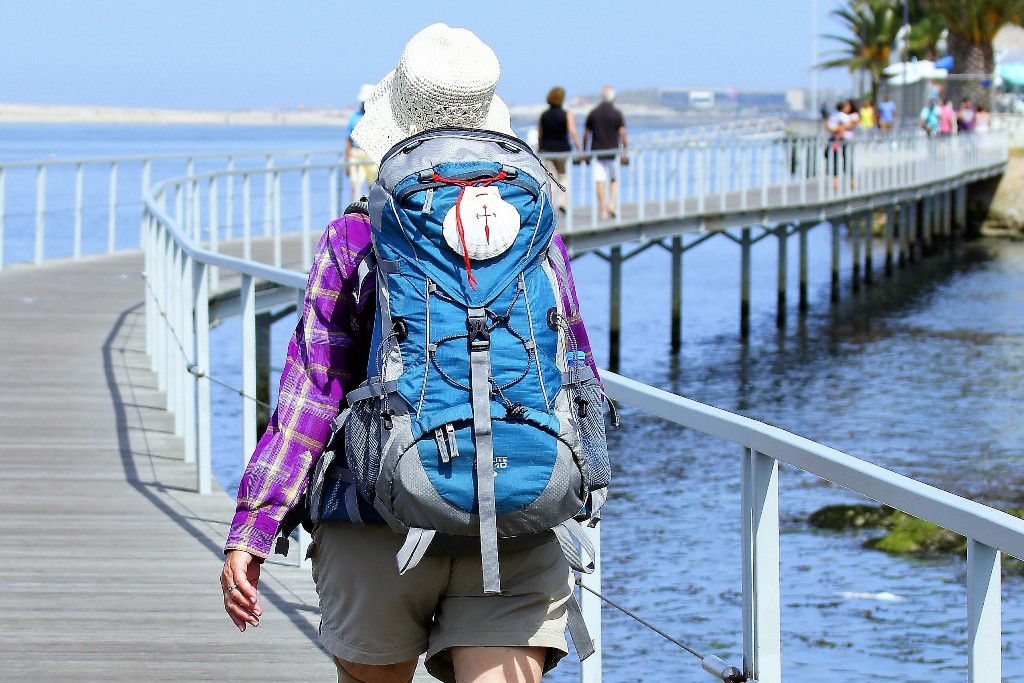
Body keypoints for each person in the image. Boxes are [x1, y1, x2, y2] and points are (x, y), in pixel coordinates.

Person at [219, 23, 598, 683]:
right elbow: (577, 375)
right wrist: (580, 497)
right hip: (518, 512)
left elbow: (311, 396)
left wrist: (255, 525)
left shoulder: (355, 235)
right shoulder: (537, 232)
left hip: (373, 524)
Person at [583, 86, 628, 220]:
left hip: (597, 152)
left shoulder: (594, 113)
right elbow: (623, 133)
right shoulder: (616, 113)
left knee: (599, 181)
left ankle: (603, 208)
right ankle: (612, 205)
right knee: (613, 180)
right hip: (613, 152)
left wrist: (584, 150)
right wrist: (625, 149)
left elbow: (586, 133)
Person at [537, 86, 581, 214]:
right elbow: (573, 132)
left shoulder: (544, 115)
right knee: (563, 176)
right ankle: (562, 202)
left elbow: (540, 133)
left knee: (551, 179)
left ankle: (549, 203)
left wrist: (539, 147)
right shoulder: (567, 114)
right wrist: (579, 149)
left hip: (547, 150)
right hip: (562, 150)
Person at [344, 83, 378, 202]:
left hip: (372, 154)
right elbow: (348, 140)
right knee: (355, 187)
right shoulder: (354, 117)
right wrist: (347, 162)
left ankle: (372, 211)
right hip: (356, 153)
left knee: (374, 186)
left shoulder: (377, 118)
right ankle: (354, 213)